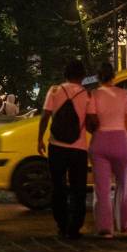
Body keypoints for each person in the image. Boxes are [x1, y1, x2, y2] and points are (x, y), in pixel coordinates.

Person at [37, 60, 91, 240]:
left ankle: (61, 224)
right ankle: (75, 227)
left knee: (58, 187)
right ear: (82, 76)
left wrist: (39, 140)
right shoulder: (87, 94)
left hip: (56, 146)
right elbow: (91, 123)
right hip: (79, 148)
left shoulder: (54, 90)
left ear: (65, 74)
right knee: (78, 189)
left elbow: (45, 116)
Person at [87, 62, 127, 238]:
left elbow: (91, 120)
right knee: (123, 186)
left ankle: (105, 227)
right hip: (120, 141)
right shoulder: (124, 95)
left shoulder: (94, 95)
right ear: (113, 76)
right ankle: (124, 224)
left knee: (102, 189)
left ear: (99, 77)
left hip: (100, 141)